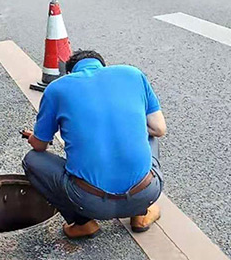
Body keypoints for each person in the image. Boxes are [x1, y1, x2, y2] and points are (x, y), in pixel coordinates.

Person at [22, 50, 166, 239]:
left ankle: (82, 223)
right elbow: (159, 128)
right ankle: (141, 215)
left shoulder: (58, 88)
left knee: (32, 160)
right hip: (147, 192)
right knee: (150, 135)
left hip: (90, 202)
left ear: (70, 72)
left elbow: (39, 146)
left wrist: (34, 137)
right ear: (103, 66)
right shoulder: (132, 74)